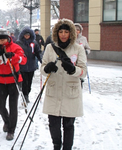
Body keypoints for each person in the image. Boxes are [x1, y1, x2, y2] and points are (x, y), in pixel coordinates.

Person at [41, 19, 87, 150]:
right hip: (54, 91)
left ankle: (67, 148)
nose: (63, 34)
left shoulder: (78, 48)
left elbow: (84, 71)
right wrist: (46, 68)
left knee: (68, 125)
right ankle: (56, 145)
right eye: (60, 31)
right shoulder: (50, 48)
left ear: (71, 33)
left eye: (66, 31)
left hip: (70, 92)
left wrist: (73, 70)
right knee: (53, 124)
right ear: (56, 33)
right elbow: (42, 67)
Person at [0, 28, 27, 141]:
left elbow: (23, 60)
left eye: (3, 40)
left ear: (8, 38)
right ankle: (7, 121)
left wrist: (13, 56)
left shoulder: (15, 47)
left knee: (12, 106)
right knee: (0, 105)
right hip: (1, 81)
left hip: (14, 80)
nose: (1, 42)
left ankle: (11, 130)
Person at [16, 27, 42, 103]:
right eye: (25, 35)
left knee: (29, 82)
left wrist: (41, 60)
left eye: (28, 35)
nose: (27, 36)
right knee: (24, 82)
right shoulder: (19, 43)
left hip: (31, 65)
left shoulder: (34, 43)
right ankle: (25, 95)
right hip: (22, 66)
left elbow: (38, 52)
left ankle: (27, 92)